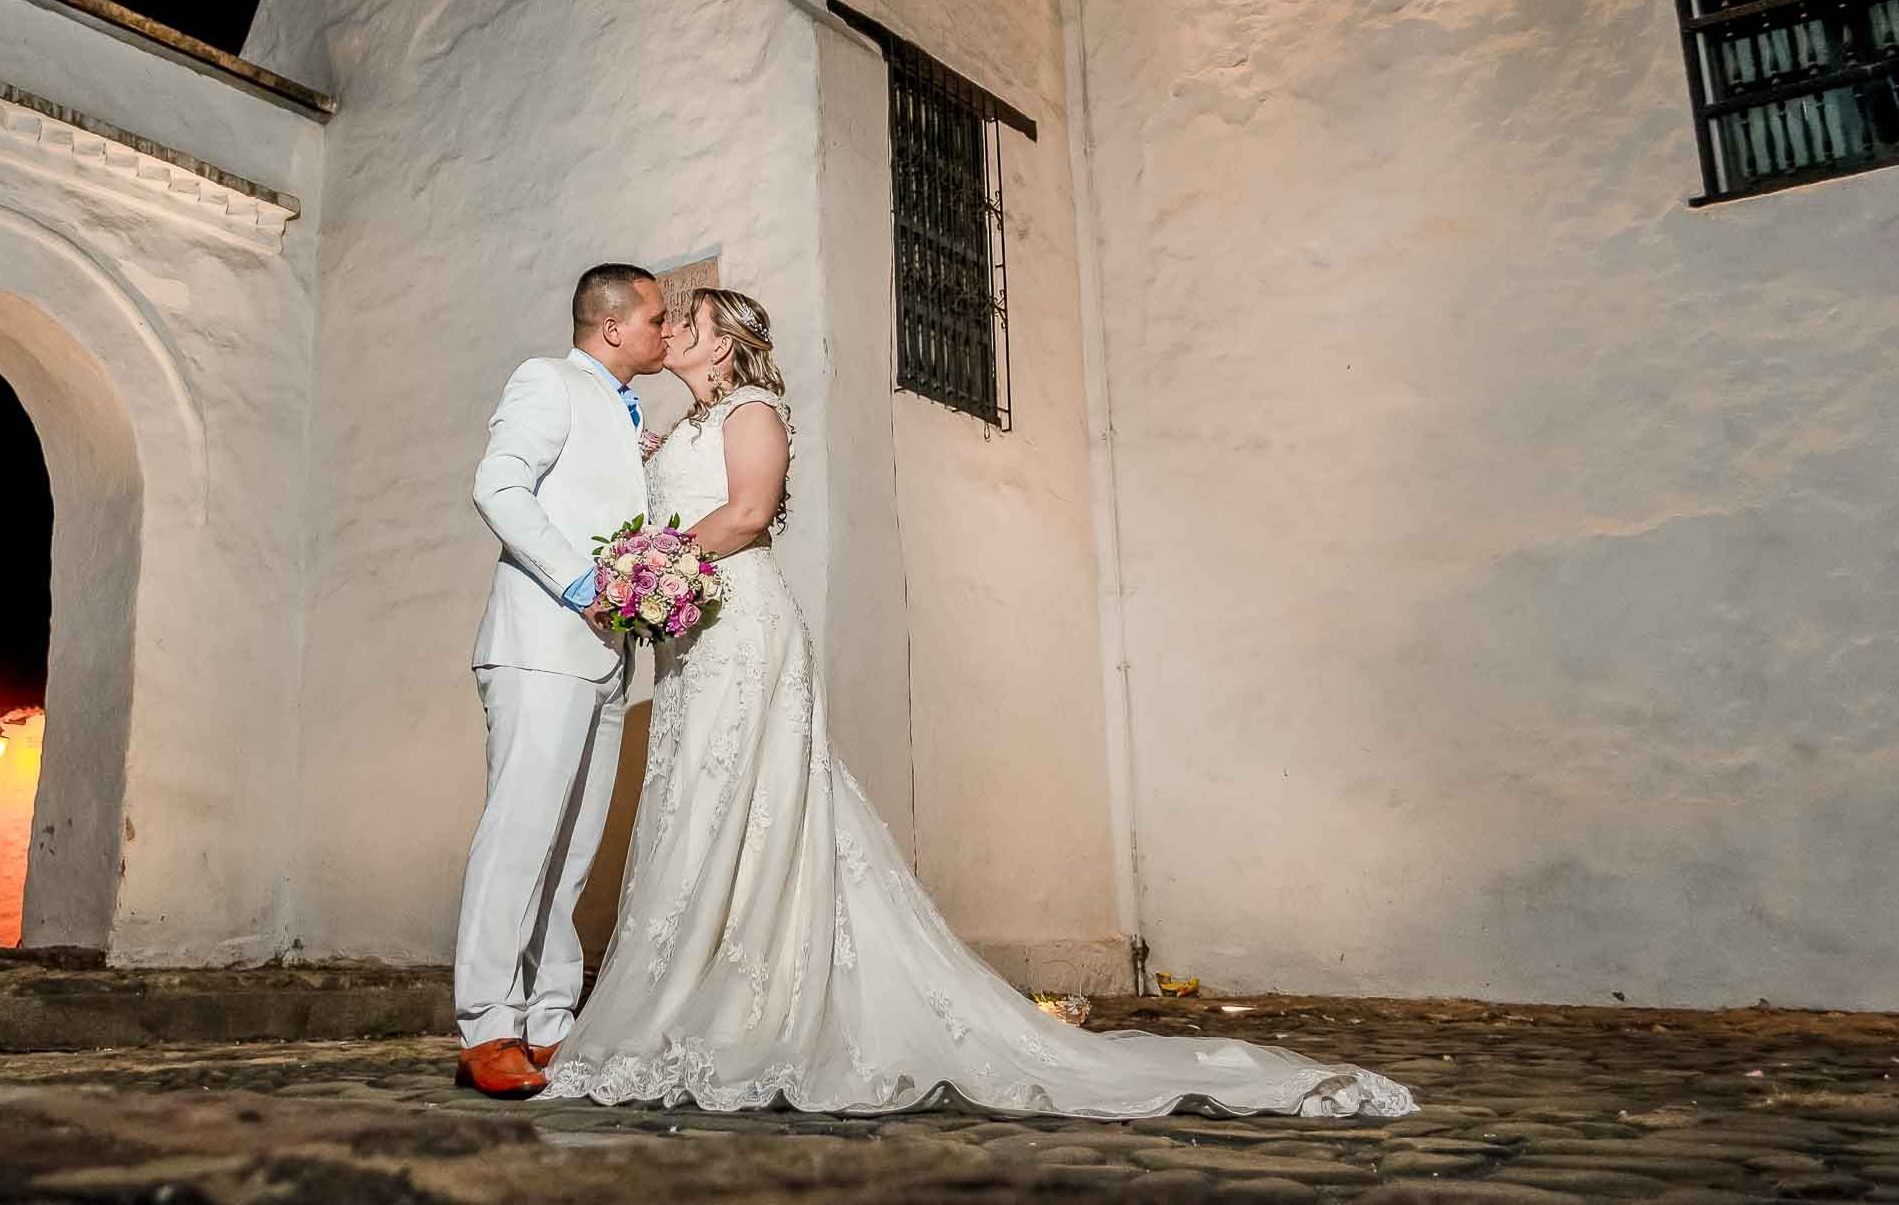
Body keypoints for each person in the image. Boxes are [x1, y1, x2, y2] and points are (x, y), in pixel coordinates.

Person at [539, 286, 1416, 1119]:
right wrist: (645, 548)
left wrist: (648, 568)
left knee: (751, 802)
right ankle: (697, 993)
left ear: (724, 343)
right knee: (700, 805)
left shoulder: (750, 412)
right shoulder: (680, 425)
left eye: (687, 320)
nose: (675, 330)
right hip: (694, 635)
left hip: (743, 624)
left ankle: (750, 1000)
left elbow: (747, 514)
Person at [454, 263, 668, 1097]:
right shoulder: (546, 380)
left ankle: (548, 1022)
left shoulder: (624, 409)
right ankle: (487, 1026)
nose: (662, 329)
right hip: (543, 642)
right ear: (613, 326)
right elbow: (497, 487)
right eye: (654, 317)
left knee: (573, 847)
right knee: (521, 835)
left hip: (606, 656)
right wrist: (586, 586)